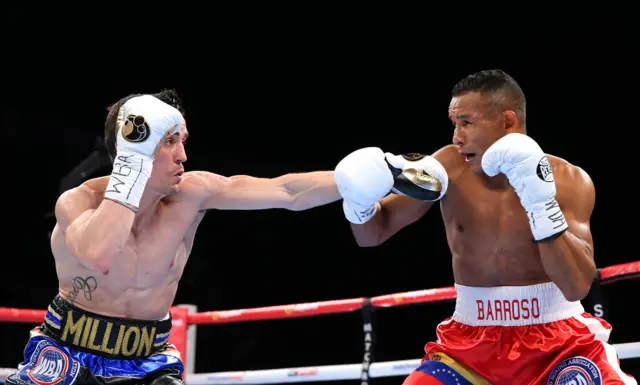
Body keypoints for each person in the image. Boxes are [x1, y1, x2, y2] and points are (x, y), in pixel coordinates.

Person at [7, 90, 341, 385]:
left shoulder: (192, 193)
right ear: (133, 148)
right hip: (67, 353)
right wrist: (131, 167)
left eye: (183, 141)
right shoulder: (78, 201)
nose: (183, 155)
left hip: (150, 360)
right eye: (169, 142)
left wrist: (361, 178)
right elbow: (100, 255)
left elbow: (286, 191)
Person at [334, 70, 637, 385]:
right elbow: (374, 233)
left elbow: (577, 287)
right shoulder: (449, 166)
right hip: (468, 347)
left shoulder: (568, 180)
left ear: (507, 122)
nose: (456, 137)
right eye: (454, 124)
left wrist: (541, 206)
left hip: (558, 345)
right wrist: (360, 205)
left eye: (466, 122)